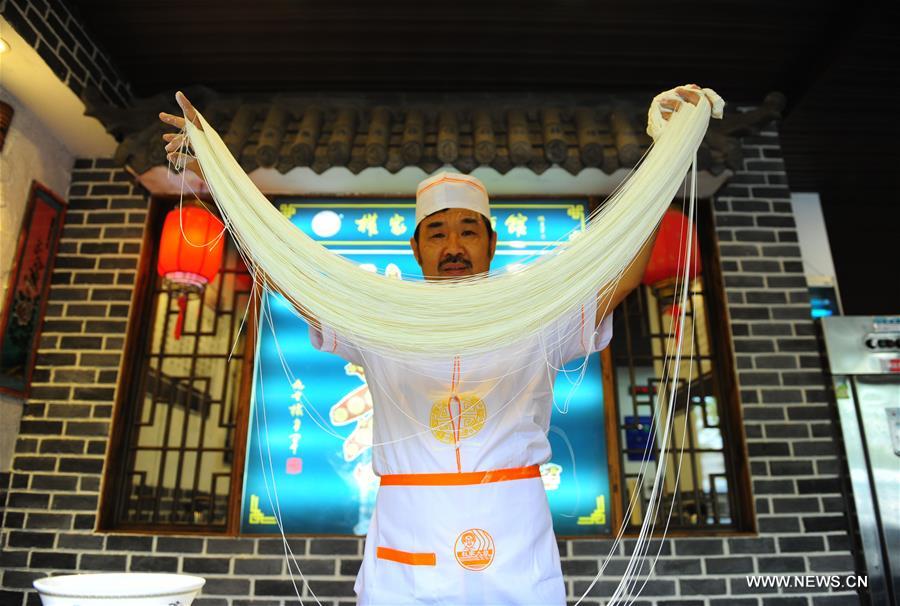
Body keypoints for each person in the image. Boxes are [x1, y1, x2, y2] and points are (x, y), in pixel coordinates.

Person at [159, 85, 706, 605]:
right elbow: (290, 275)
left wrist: (667, 157)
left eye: (469, 230)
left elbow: (622, 279)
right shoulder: (376, 314)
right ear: (415, 246)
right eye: (438, 231)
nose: (453, 245)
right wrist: (223, 185)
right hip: (411, 520)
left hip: (512, 521)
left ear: (492, 243)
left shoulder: (536, 312)